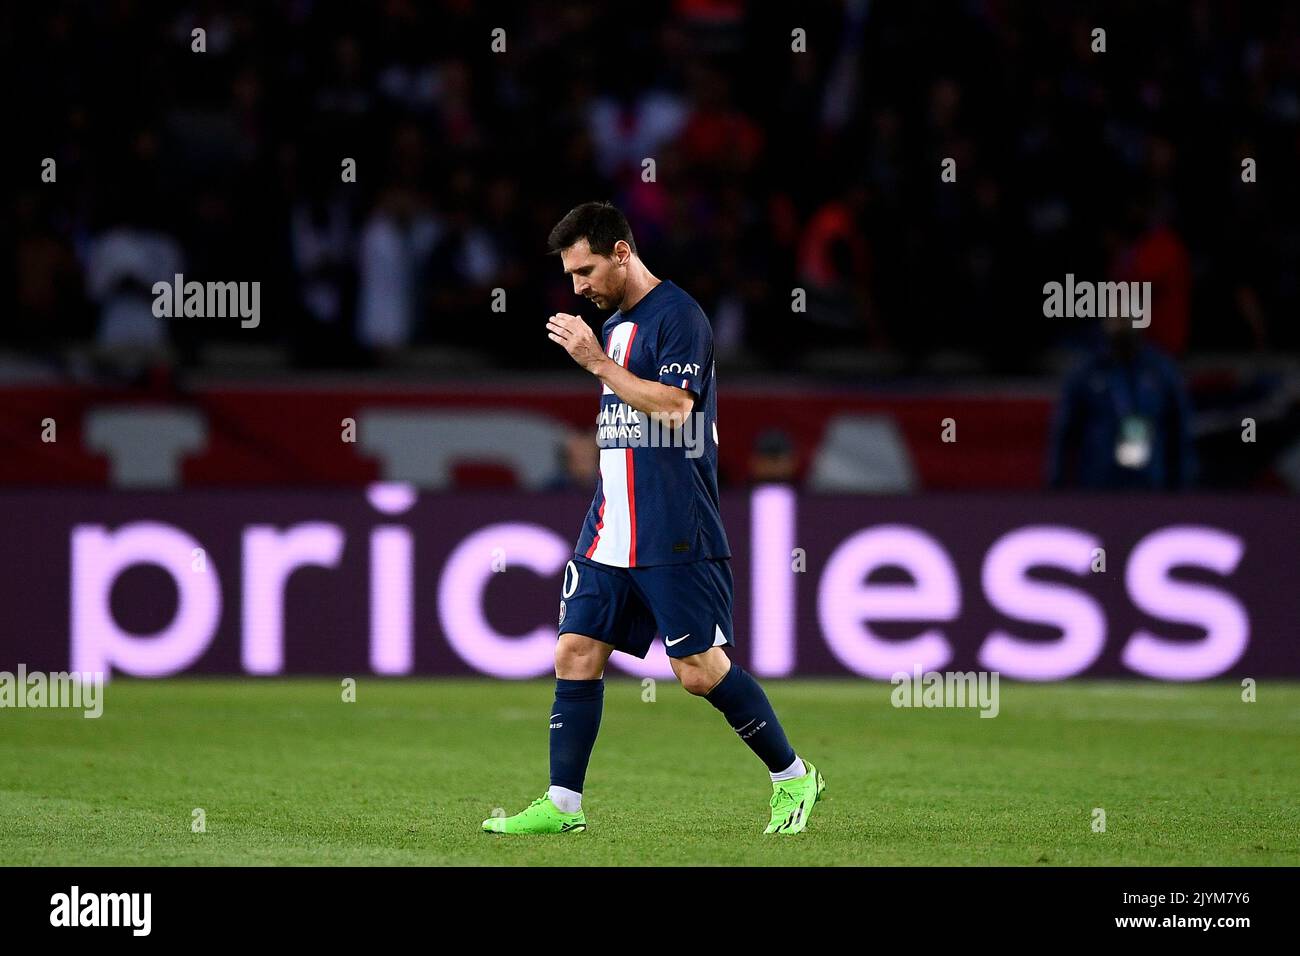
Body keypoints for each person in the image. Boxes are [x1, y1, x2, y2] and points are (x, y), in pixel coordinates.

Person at [483, 201, 825, 835]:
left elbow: (673, 408)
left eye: (584, 271)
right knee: (576, 650)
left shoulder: (678, 316)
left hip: (673, 525)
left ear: (621, 252)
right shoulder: (614, 324)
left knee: (698, 673)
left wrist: (597, 365)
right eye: (570, 276)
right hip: (611, 522)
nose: (577, 287)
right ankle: (563, 805)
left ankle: (794, 776)